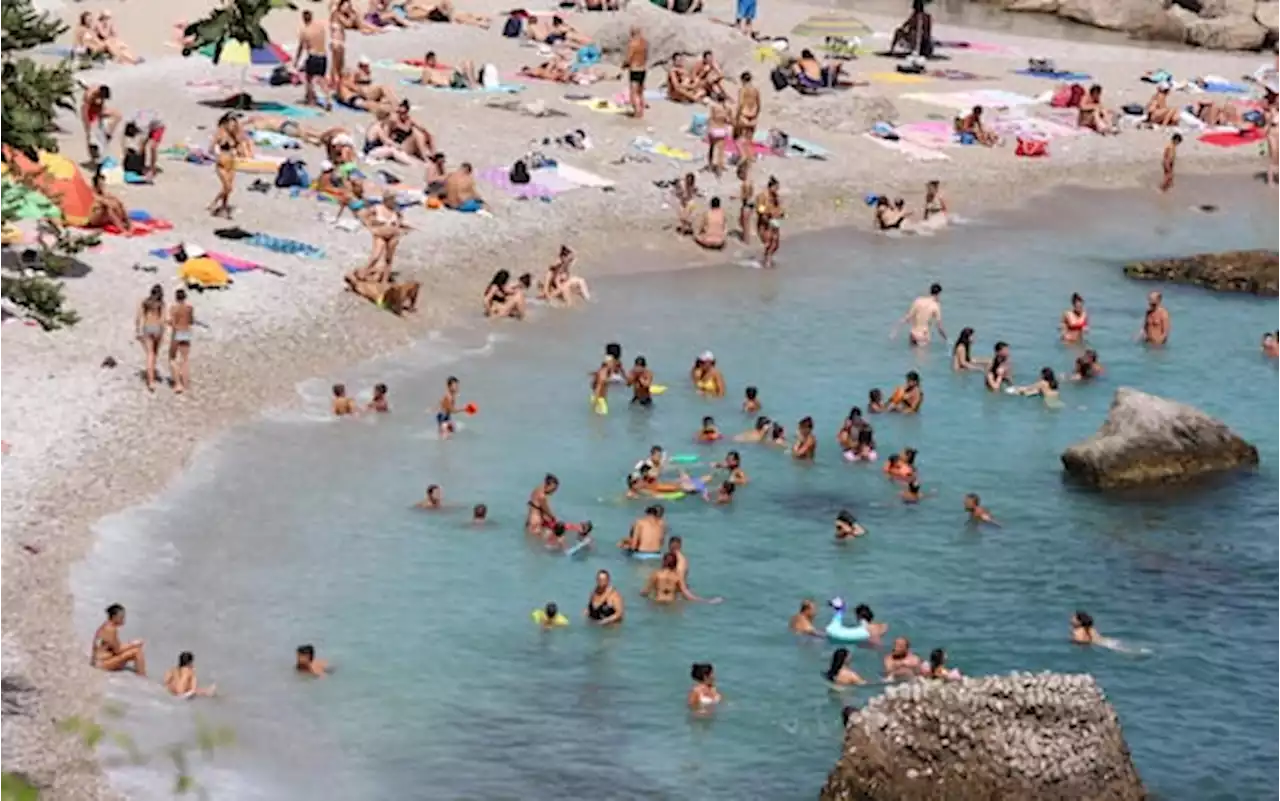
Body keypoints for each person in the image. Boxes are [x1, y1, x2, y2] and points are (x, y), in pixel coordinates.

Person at [91, 604, 146, 675]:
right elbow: (118, 650)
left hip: (99, 660)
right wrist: (133, 644)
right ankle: (142, 677)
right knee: (137, 652)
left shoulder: (106, 625)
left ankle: (141, 675)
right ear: (114, 617)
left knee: (135, 648)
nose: (123, 620)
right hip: (101, 664)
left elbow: (114, 647)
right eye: (121, 617)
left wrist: (132, 644)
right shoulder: (110, 630)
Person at [207, 113, 242, 219]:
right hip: (221, 164)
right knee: (228, 187)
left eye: (234, 125)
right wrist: (217, 155)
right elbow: (211, 148)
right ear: (226, 123)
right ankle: (214, 203)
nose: (233, 127)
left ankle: (224, 206)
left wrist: (237, 150)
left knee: (228, 189)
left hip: (231, 163)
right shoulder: (220, 133)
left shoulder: (234, 135)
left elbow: (240, 145)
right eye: (231, 124)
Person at [641, 552, 710, 603]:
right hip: (671, 604)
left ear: (663, 562)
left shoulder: (656, 574)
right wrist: (707, 601)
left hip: (658, 602)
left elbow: (646, 592)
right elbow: (688, 595)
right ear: (675, 564)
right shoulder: (677, 577)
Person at [295, 10, 329, 108]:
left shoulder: (305, 31)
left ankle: (311, 101)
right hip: (323, 56)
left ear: (303, 18)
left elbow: (301, 47)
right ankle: (328, 99)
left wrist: (296, 61)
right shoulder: (320, 28)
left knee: (309, 79)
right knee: (322, 80)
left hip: (313, 56)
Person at [135, 285, 165, 392]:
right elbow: (162, 319)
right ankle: (153, 374)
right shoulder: (161, 303)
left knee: (149, 354)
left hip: (147, 327)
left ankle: (151, 381)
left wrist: (137, 330)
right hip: (157, 327)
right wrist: (162, 333)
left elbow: (138, 317)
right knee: (155, 353)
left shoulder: (145, 302)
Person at [81, 84, 121, 162]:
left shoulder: (97, 90)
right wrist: (87, 123)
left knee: (117, 115)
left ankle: (108, 133)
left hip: (98, 111)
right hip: (90, 112)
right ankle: (93, 154)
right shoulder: (90, 96)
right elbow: (85, 108)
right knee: (89, 135)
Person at [167, 288, 194, 394]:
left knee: (172, 358)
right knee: (185, 359)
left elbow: (173, 323)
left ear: (176, 297)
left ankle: (178, 384)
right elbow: (191, 321)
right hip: (186, 332)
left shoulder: (174, 308)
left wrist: (167, 323)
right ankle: (186, 383)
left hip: (177, 332)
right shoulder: (189, 308)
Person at [756, 177, 783, 269]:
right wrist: (767, 216)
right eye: (776, 188)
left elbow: (779, 208)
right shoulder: (762, 196)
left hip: (774, 222)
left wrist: (780, 213)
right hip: (765, 223)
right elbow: (760, 210)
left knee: (776, 244)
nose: (777, 190)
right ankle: (767, 260)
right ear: (770, 187)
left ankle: (767, 258)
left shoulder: (776, 197)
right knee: (768, 242)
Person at [734, 72, 761, 165]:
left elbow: (741, 104)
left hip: (744, 115)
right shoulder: (755, 90)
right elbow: (759, 104)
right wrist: (756, 115)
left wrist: (736, 117)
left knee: (738, 138)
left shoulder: (742, 90)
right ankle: (751, 157)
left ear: (742, 80)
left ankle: (743, 156)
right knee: (749, 139)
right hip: (753, 115)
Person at [625, 27, 649, 120]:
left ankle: (637, 112)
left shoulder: (632, 44)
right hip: (643, 68)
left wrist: (623, 66)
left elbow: (628, 58)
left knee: (634, 92)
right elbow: (646, 56)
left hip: (635, 69)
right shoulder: (644, 43)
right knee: (640, 91)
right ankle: (642, 111)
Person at [706, 98, 732, 176]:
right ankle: (719, 169)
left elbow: (710, 119)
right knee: (721, 151)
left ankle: (710, 165)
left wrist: (709, 129)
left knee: (711, 148)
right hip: (722, 130)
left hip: (714, 129)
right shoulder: (727, 109)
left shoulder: (713, 107)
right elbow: (729, 120)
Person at [736, 160, 755, 243]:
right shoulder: (750, 181)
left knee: (745, 224)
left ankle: (746, 240)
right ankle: (747, 237)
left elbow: (746, 196)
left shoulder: (745, 183)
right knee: (743, 221)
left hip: (746, 204)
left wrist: (736, 197)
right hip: (750, 204)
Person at [1266, 98, 1280, 187]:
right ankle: (1270, 180)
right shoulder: (1272, 109)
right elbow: (1272, 121)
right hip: (1272, 134)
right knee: (1274, 155)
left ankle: (1278, 177)